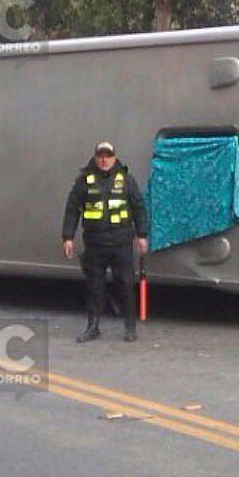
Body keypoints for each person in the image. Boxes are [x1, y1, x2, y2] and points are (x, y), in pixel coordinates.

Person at [61, 141, 149, 343]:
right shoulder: (84, 181)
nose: (104, 159)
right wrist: (68, 237)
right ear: (95, 157)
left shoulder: (126, 180)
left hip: (121, 242)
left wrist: (142, 236)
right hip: (95, 243)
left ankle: (130, 327)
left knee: (126, 284)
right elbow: (72, 209)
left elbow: (138, 208)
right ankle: (93, 327)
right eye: (100, 155)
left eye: (108, 155)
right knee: (94, 286)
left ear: (114, 157)